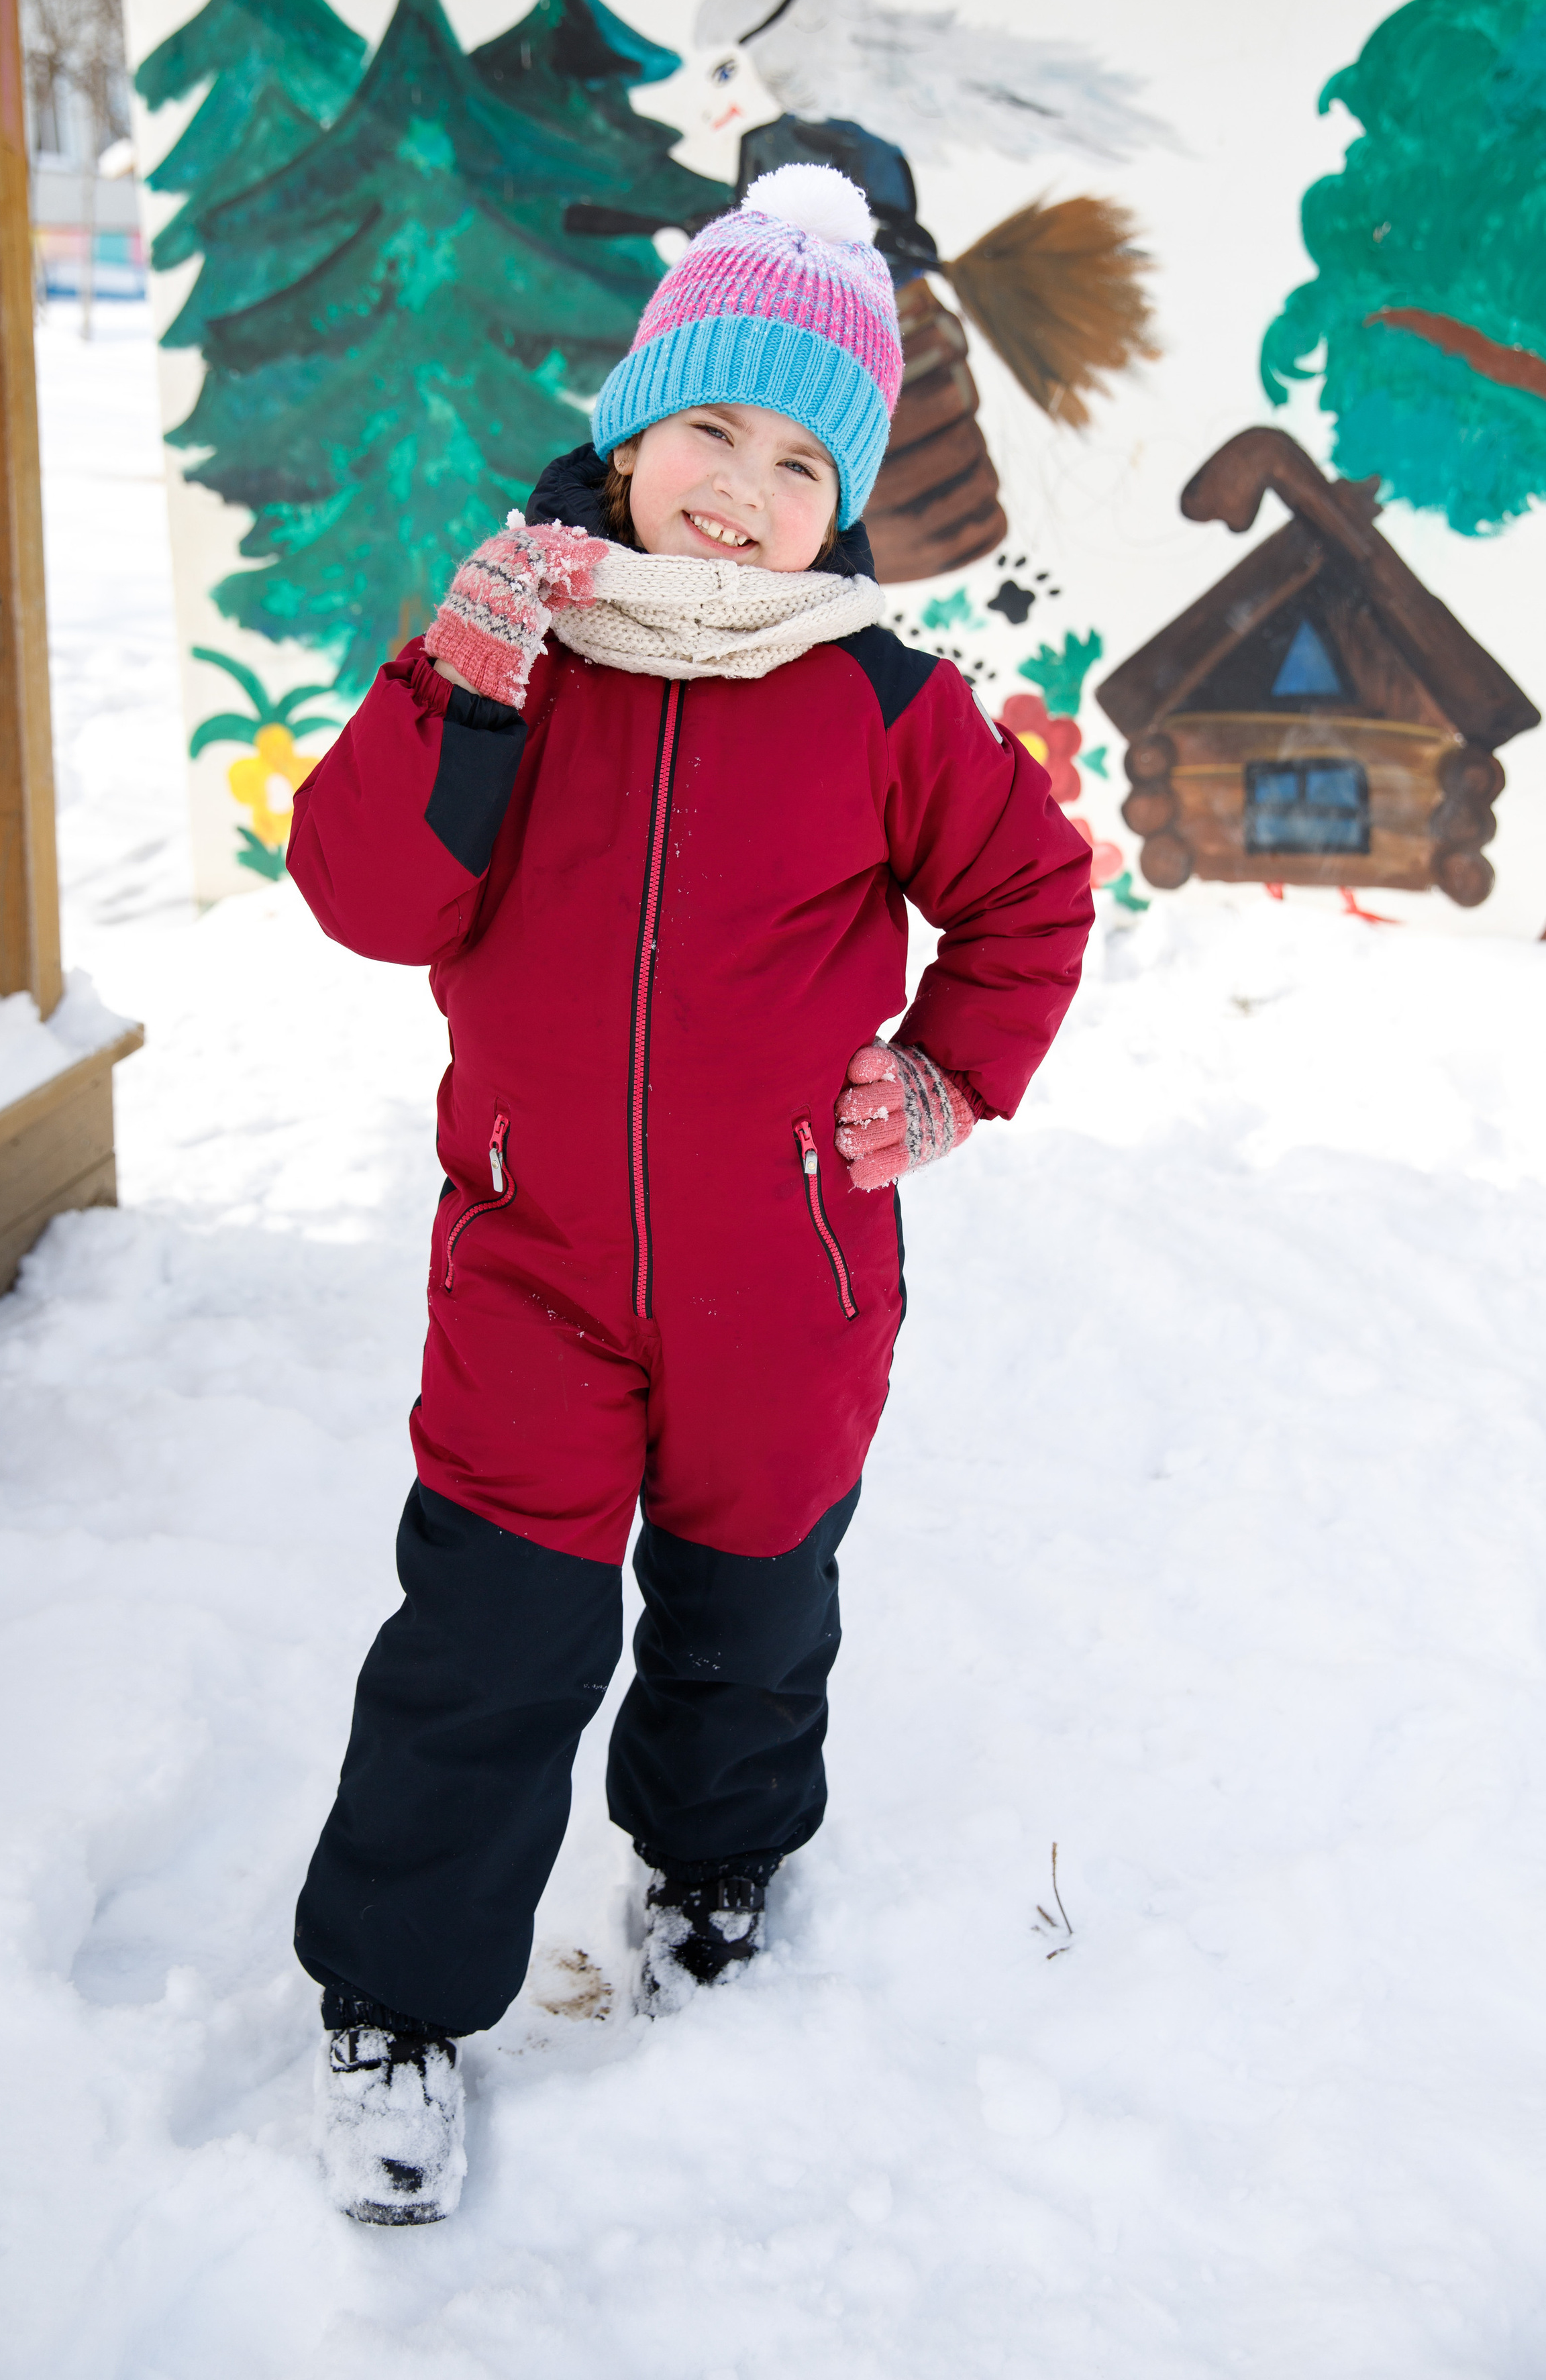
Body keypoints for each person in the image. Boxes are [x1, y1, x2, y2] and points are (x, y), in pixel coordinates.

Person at [284, 165, 1094, 2224]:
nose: (743, 487)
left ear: (850, 507)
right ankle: (394, 2004)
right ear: (635, 432)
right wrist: (458, 685)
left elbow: (1030, 895)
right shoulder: (514, 646)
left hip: (790, 1278)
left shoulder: (887, 702)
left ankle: (716, 1864)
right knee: (485, 1639)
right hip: (533, 1271)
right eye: (713, 431)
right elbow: (371, 902)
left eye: (803, 457)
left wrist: (947, 1074)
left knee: (749, 1617)